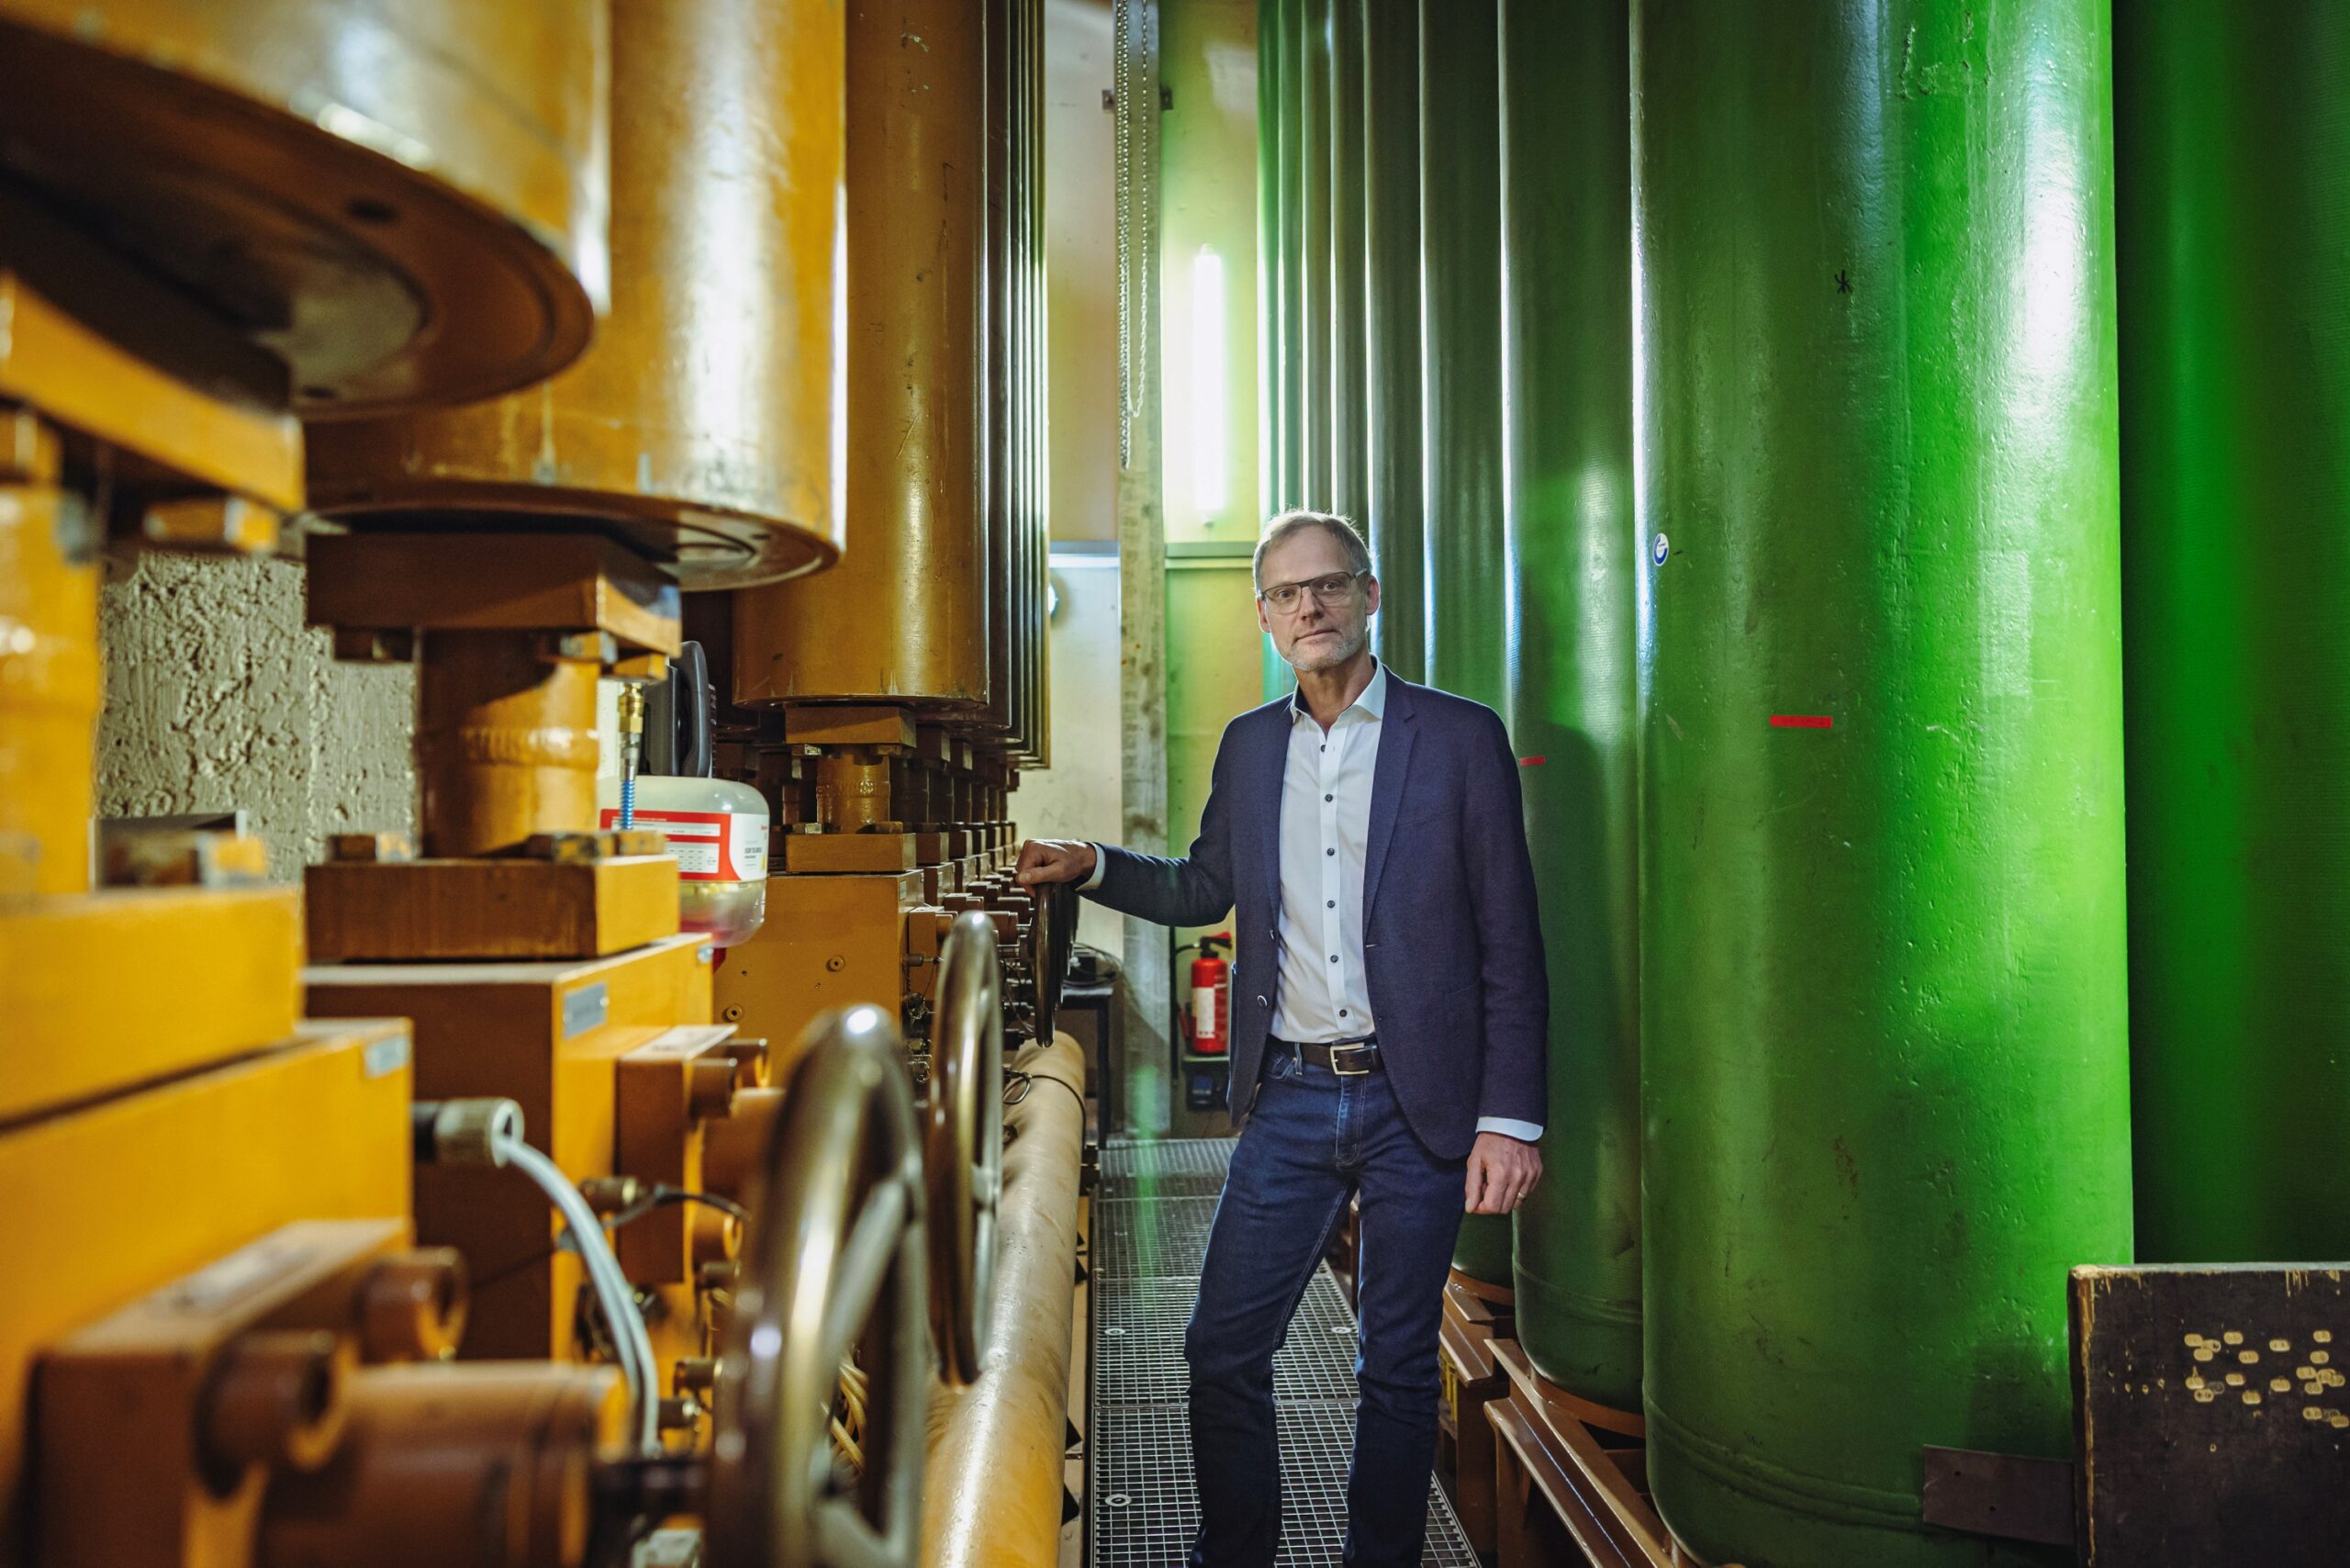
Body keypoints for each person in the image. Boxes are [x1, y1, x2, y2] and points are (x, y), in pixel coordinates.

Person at [1017, 509, 1548, 1568]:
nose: (1310, 607)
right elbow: (1204, 885)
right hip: (1294, 1094)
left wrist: (1510, 1119)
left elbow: (1511, 939)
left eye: (1329, 584)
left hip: (1418, 1100)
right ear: (1264, 616)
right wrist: (1093, 864)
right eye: (1287, 593)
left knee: (1397, 1366)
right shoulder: (1252, 746)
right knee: (1220, 1348)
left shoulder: (1457, 738)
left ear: (1369, 596)